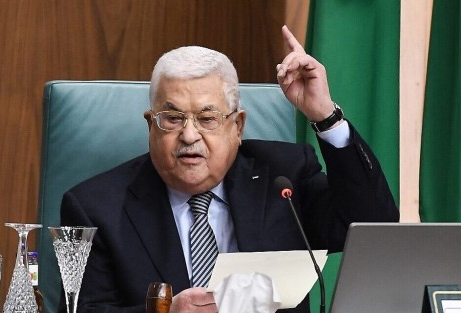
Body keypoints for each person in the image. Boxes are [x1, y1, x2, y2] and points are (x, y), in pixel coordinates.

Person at [59, 25, 399, 313]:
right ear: (151, 125)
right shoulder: (94, 210)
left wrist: (326, 116)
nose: (189, 135)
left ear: (237, 127)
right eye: (173, 118)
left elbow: (373, 226)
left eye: (207, 119)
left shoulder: (284, 177)